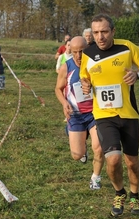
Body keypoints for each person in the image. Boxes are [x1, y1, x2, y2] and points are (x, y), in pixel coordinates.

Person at [80, 14, 139, 216]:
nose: (100, 36)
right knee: (113, 159)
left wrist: (137, 74)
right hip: (104, 116)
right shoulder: (88, 53)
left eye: (104, 31)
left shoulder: (127, 47)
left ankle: (135, 196)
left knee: (132, 161)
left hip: (129, 115)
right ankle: (119, 192)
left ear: (113, 31)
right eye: (96, 32)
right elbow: (84, 78)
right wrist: (85, 84)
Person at [55, 36, 104, 190]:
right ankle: (77, 137)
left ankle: (95, 178)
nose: (78, 56)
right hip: (75, 114)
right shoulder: (66, 67)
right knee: (77, 155)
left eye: (82, 51)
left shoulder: (96, 65)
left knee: (99, 147)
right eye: (75, 52)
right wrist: (64, 103)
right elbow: (58, 89)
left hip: (95, 113)